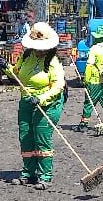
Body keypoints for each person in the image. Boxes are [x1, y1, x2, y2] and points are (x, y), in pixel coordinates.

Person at [6, 22, 65, 190]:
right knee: (26, 136)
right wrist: (7, 68)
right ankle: (28, 173)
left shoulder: (52, 61)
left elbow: (58, 85)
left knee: (41, 135)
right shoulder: (26, 56)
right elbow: (16, 73)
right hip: (26, 102)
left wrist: (42, 98)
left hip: (48, 103)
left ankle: (45, 175)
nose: (39, 50)